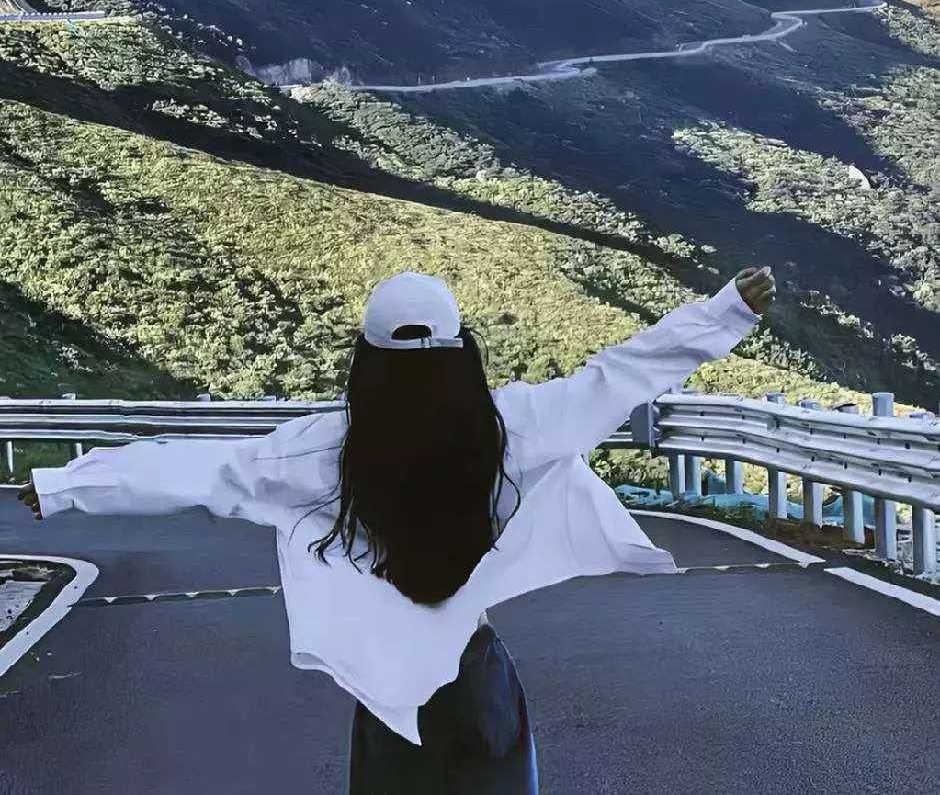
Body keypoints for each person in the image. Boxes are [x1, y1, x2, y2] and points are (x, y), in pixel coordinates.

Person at [19, 265, 775, 794]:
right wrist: (725, 313)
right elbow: (618, 375)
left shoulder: (326, 451)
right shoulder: (508, 428)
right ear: (459, 347)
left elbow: (198, 468)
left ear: (368, 358)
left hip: (390, 697)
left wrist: (64, 486)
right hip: (479, 680)